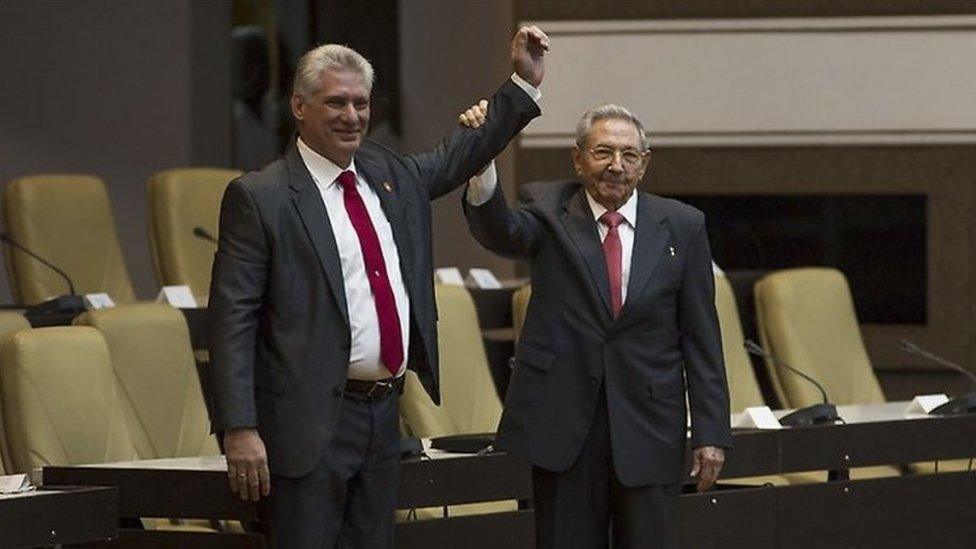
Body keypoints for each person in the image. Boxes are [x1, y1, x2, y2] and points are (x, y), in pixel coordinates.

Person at [207, 27, 549, 548]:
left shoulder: (387, 173)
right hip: (307, 424)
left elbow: (457, 155)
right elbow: (232, 319)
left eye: (361, 103)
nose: (352, 116)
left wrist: (521, 84)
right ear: (299, 107)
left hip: (383, 415)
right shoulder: (262, 197)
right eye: (336, 102)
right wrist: (239, 428)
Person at [460, 103, 731, 548]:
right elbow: (500, 232)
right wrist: (482, 157)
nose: (616, 166)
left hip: (649, 425)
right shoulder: (547, 209)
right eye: (603, 152)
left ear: (645, 162)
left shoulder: (683, 225)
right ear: (578, 158)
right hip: (565, 426)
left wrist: (711, 433)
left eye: (628, 155)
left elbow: (702, 337)